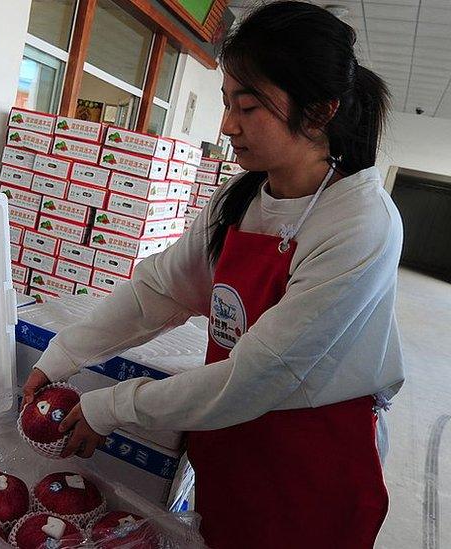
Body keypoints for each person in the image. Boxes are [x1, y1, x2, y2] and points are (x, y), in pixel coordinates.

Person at [22, 2, 404, 547]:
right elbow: (159, 289)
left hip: (311, 467)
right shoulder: (243, 198)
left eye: (248, 108)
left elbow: (257, 376)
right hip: (228, 440)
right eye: (227, 103)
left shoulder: (360, 224)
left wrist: (112, 407)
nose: (227, 126)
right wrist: (62, 355)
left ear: (319, 113)